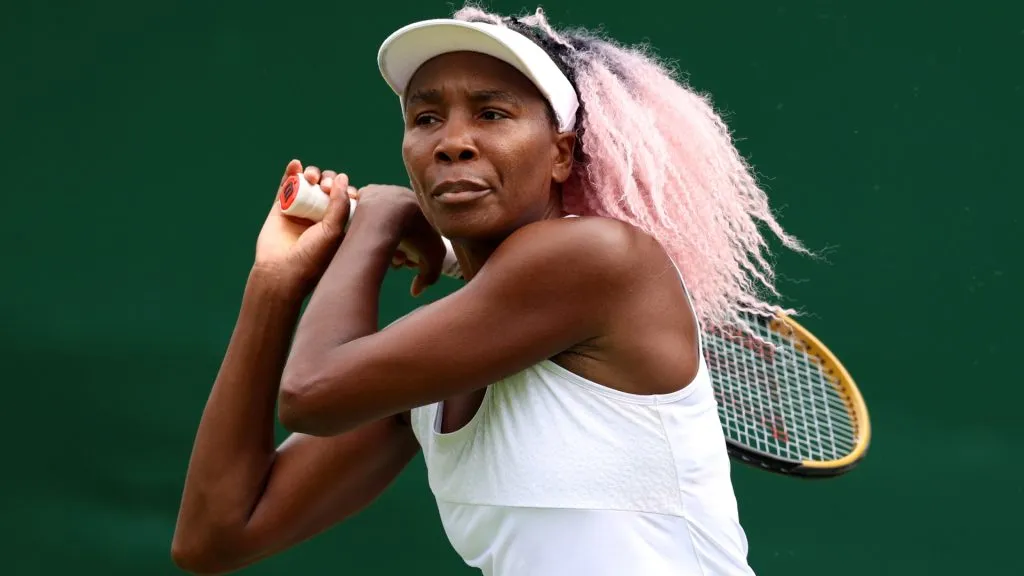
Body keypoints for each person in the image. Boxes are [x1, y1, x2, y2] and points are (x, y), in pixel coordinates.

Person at [172, 5, 806, 575]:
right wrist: (274, 284)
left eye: (492, 113)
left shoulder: (595, 255)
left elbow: (311, 394)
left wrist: (378, 220)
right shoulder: (426, 370)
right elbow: (217, 536)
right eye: (425, 118)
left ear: (561, 154)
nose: (452, 143)